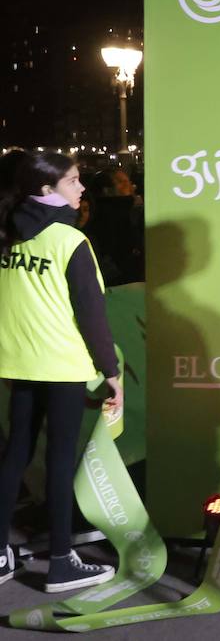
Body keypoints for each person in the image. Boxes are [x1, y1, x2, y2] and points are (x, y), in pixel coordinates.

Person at [0, 151, 122, 593]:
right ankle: (60, 563)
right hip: (63, 365)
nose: (83, 188)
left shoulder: (9, 235)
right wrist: (111, 371)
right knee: (59, 459)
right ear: (47, 190)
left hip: (18, 362)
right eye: (73, 181)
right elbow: (92, 315)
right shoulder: (70, 242)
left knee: (16, 453)